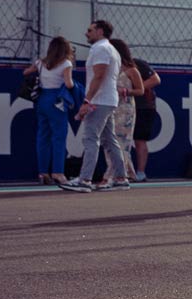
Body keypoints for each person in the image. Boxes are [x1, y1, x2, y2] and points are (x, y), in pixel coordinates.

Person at [61, 20, 131, 193]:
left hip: (100, 100)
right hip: (107, 100)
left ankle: (84, 180)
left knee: (90, 138)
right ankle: (121, 178)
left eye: (89, 30)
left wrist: (87, 101)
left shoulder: (100, 49)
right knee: (109, 140)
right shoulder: (111, 49)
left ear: (100, 31)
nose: (86, 33)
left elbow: (99, 76)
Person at [93, 38, 144, 189]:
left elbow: (140, 90)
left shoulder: (131, 70)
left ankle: (111, 175)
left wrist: (126, 91)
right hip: (111, 107)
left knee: (122, 143)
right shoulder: (111, 68)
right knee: (109, 141)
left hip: (125, 110)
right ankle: (121, 174)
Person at [26, 36, 75, 186]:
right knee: (59, 137)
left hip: (42, 99)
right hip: (57, 100)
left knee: (43, 136)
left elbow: (26, 72)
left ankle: (43, 173)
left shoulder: (41, 62)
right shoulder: (66, 63)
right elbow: (69, 84)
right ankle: (58, 172)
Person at [130, 51, 160, 182]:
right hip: (125, 107)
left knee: (140, 139)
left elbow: (156, 79)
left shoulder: (137, 64)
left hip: (143, 106)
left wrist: (137, 89)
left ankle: (140, 172)